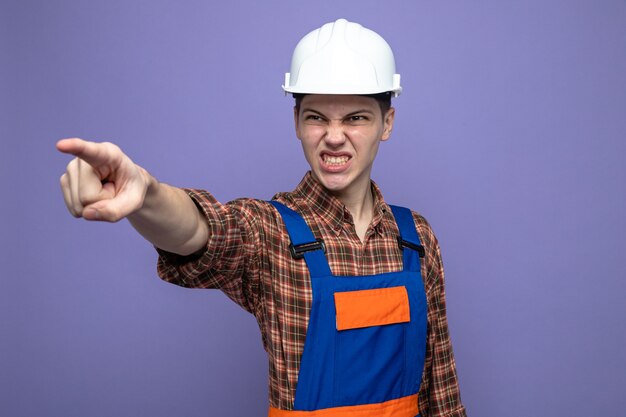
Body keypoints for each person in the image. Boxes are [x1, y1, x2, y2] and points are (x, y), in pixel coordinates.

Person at [57, 18, 466, 417]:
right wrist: (146, 193)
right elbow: (203, 231)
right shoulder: (270, 233)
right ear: (297, 123)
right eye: (316, 117)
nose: (334, 136)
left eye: (355, 117)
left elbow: (442, 393)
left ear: (386, 123)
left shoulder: (416, 238)